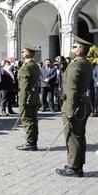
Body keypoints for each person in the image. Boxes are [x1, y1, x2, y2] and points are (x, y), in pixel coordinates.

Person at [56, 36, 93, 177]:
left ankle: (74, 167)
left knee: (72, 136)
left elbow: (71, 89)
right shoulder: (85, 63)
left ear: (79, 51)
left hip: (73, 105)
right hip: (82, 104)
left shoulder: (76, 64)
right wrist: (66, 66)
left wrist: (70, 111)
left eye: (73, 47)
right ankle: (77, 164)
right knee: (79, 135)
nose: (71, 49)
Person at [16, 44, 41, 151]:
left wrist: (22, 100)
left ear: (28, 53)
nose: (22, 53)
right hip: (34, 96)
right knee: (33, 119)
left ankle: (30, 142)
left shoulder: (26, 67)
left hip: (26, 96)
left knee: (27, 119)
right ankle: (33, 141)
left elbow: (24, 85)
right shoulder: (35, 65)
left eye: (23, 51)